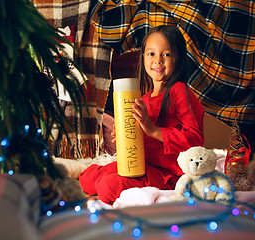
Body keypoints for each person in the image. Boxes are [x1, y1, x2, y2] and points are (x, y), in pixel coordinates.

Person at [79, 25, 204, 205]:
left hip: (168, 174)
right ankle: (110, 182)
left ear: (178, 58)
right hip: (141, 166)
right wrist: (124, 136)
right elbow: (140, 143)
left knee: (107, 186)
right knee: (88, 176)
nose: (158, 60)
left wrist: (153, 130)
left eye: (166, 54)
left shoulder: (179, 91)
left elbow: (195, 139)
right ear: (143, 57)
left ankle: (116, 186)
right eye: (151, 53)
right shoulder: (143, 99)